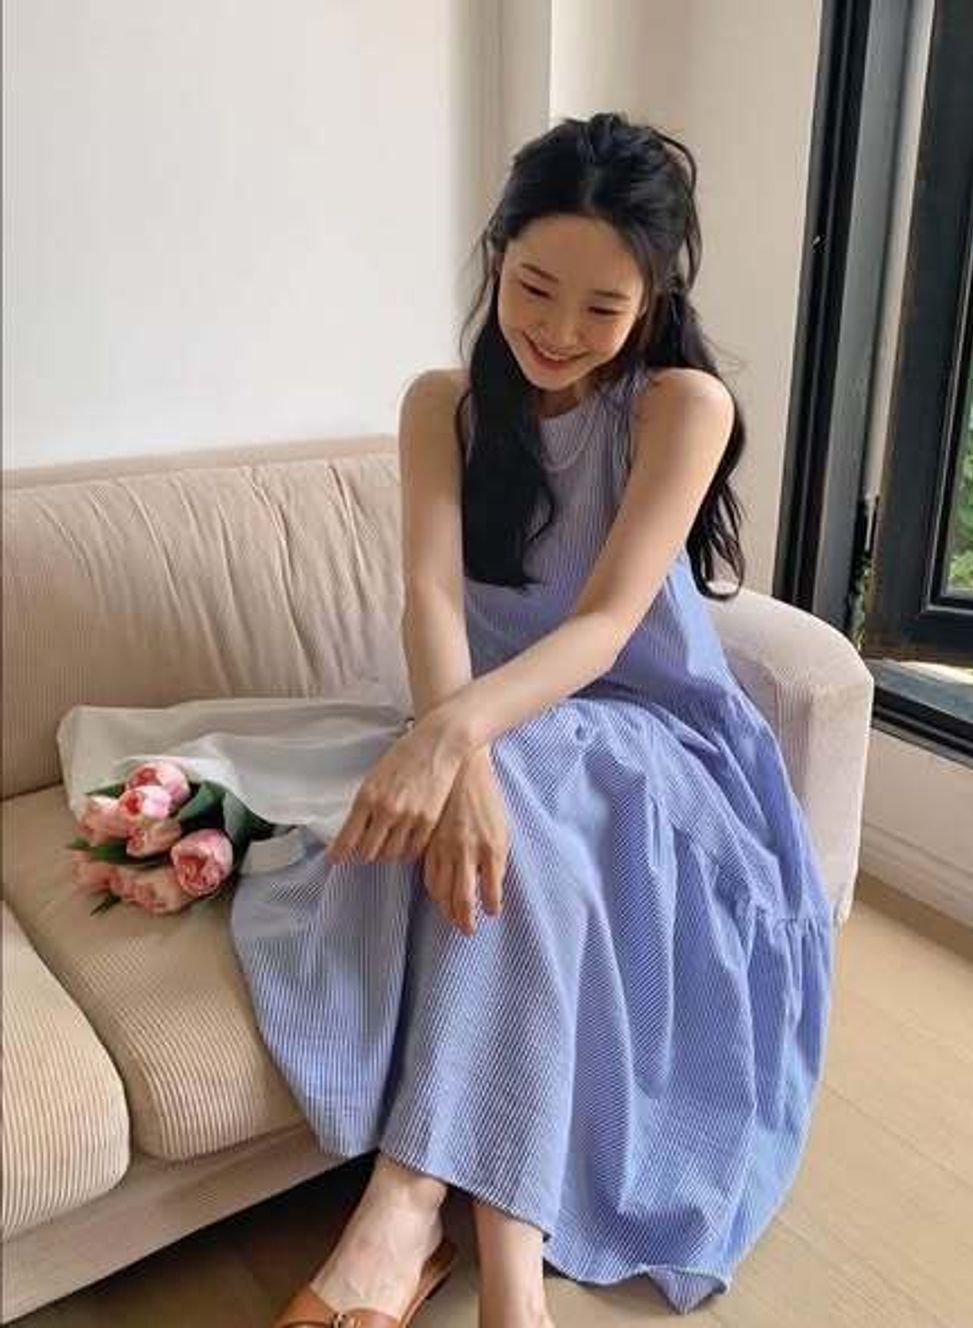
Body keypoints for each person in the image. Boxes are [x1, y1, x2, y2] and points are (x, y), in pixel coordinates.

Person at [231, 110, 837, 1328]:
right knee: (519, 853)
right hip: (502, 727)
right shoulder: (441, 405)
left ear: (654, 302)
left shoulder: (682, 406)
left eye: (603, 307)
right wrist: (461, 749)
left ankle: (404, 1213)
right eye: (533, 288)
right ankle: (507, 1285)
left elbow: (606, 628)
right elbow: (427, 596)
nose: (559, 331)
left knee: (517, 802)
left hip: (654, 733)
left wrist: (452, 741)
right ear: (496, 254)